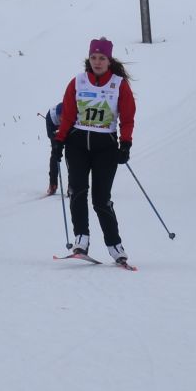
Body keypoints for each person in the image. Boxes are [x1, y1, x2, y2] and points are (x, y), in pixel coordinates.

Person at [53, 37, 136, 266]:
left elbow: (127, 118)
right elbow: (68, 114)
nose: (97, 62)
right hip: (77, 144)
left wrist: (125, 144)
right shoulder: (77, 82)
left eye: (102, 58)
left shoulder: (118, 85)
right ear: (88, 59)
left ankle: (115, 247)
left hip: (105, 148)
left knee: (101, 199)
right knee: (77, 192)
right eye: (93, 58)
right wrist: (59, 142)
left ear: (109, 61)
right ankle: (81, 241)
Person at [43, 100, 65, 197]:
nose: (61, 120)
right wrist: (56, 141)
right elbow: (50, 134)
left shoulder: (71, 113)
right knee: (55, 155)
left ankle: (72, 186)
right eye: (60, 118)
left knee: (71, 155)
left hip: (68, 128)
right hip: (56, 132)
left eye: (63, 118)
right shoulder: (50, 117)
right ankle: (53, 184)